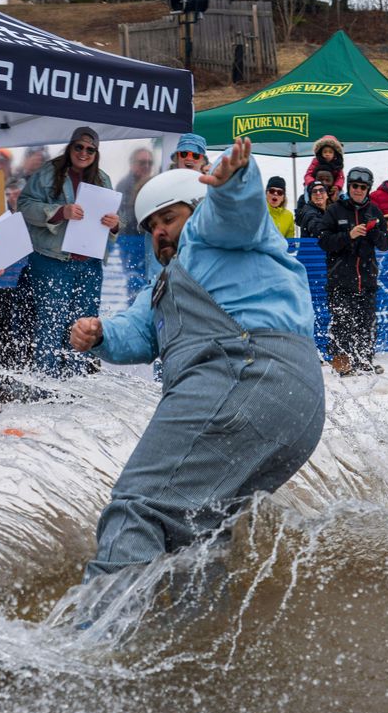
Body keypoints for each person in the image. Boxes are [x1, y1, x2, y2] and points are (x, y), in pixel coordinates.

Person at [67, 138, 324, 583]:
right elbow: (137, 332)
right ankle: (196, 625)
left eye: (168, 218)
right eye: (151, 227)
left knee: (139, 507)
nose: (159, 232)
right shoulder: (162, 286)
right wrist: (102, 334)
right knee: (196, 526)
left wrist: (232, 182)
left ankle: (94, 626)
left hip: (243, 374)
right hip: (294, 404)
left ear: (198, 207)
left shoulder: (212, 235)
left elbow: (235, 212)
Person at [18, 126, 119, 377]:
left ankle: (76, 383)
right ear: (70, 147)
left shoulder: (102, 178)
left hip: (89, 264)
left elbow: (115, 219)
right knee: (51, 324)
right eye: (79, 147)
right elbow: (24, 205)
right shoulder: (49, 172)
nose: (83, 153)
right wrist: (60, 212)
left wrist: (115, 224)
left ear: (96, 153)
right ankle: (45, 386)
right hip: (52, 261)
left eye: (90, 150)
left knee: (84, 328)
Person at [317, 166, 388, 376]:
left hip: (367, 280)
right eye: (355, 186)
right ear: (349, 187)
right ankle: (342, 364)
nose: (358, 190)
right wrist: (347, 236)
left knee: (366, 323)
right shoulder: (335, 210)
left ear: (368, 189)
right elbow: (323, 241)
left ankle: (364, 361)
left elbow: (386, 243)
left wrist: (375, 232)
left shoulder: (374, 211)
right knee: (342, 324)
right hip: (340, 280)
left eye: (362, 187)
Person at [115, 146, 155, 236]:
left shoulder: (155, 184)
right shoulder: (123, 186)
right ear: (132, 164)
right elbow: (124, 218)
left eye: (150, 163)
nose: (147, 166)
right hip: (129, 237)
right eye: (142, 163)